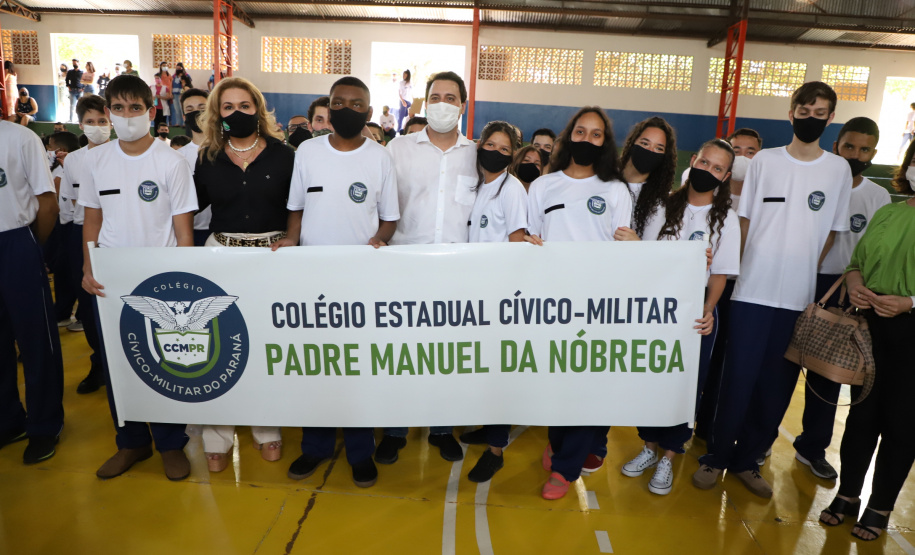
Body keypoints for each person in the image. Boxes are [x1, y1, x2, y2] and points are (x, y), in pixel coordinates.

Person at [693, 81, 852, 498]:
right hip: (751, 294)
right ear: (791, 111)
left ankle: (748, 460)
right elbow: (743, 224)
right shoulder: (764, 161)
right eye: (805, 110)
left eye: (821, 113)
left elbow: (832, 234)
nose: (811, 118)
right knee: (736, 380)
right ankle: (715, 457)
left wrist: (802, 273)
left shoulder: (837, 170)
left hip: (798, 301)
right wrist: (740, 274)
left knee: (777, 387)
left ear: (831, 119)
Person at [273, 76, 398, 488]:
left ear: (367, 109)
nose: (347, 108)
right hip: (312, 276)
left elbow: (390, 217)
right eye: (339, 102)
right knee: (317, 365)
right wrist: (291, 239)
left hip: (362, 279)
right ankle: (316, 447)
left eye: (356, 103)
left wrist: (379, 241)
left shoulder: (380, 157)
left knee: (358, 369)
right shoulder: (307, 151)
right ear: (329, 107)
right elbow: (296, 208)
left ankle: (360, 452)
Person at [78, 74, 197, 481]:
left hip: (160, 276)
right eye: (118, 108)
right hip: (111, 277)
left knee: (161, 362)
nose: (127, 116)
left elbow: (184, 230)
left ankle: (170, 444)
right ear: (108, 112)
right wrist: (89, 266)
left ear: (151, 110)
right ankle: (131, 443)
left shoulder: (170, 161)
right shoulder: (95, 160)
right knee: (117, 364)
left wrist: (181, 278)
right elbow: (92, 218)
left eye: (135, 108)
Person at [619, 139, 738, 496]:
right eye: (705, 162)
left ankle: (671, 454)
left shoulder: (726, 219)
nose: (708, 171)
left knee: (686, 385)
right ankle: (649, 447)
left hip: (694, 309)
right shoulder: (661, 206)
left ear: (726, 176)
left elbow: (720, 273)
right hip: (656, 306)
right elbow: (647, 257)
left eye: (718, 168)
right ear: (694, 160)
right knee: (652, 378)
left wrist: (708, 310)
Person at [524, 106, 632, 499]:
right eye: (581, 132)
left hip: (598, 308)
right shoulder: (543, 186)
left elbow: (624, 251)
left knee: (589, 389)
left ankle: (567, 468)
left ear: (606, 143)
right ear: (569, 137)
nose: (587, 139)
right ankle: (557, 440)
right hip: (551, 305)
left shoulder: (616, 191)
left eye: (597, 134)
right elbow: (529, 241)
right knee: (556, 385)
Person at [191, 77, 292, 471]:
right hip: (221, 257)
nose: (237, 113)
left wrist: (293, 241)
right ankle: (217, 434)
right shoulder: (206, 159)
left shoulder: (286, 156)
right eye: (228, 107)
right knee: (222, 350)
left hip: (272, 256)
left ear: (258, 110)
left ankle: (267, 428)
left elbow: (297, 208)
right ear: (217, 114)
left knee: (266, 347)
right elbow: (186, 208)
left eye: (245, 106)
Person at [818, 142, 915, 541]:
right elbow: (855, 264)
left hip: (911, 333)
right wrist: (856, 287)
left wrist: (909, 302)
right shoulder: (889, 212)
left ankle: (879, 508)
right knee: (861, 420)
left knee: (902, 425)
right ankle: (848, 496)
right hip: (870, 329)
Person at [379, 71, 477, 465]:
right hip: (405, 267)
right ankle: (394, 431)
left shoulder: (476, 154)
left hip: (457, 273)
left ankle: (441, 429)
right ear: (424, 101)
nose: (442, 103)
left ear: (462, 105)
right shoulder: (397, 149)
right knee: (402, 354)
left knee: (447, 355)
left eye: (450, 97)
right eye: (435, 96)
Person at [792, 117, 890, 480]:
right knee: (783, 364)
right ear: (836, 145)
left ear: (874, 153)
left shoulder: (878, 197)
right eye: (849, 146)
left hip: (847, 289)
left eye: (865, 149)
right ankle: (761, 439)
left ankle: (812, 448)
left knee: (828, 372)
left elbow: (875, 251)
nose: (856, 154)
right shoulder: (814, 180)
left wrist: (860, 287)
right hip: (802, 279)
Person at [457, 120, 528, 483]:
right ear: (479, 145)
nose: (496, 153)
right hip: (474, 292)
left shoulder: (511, 190)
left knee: (498, 373)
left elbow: (517, 242)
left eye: (505, 150)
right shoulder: (479, 187)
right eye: (492, 145)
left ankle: (496, 450)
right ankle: (489, 428)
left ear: (513, 156)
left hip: (498, 297)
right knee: (481, 369)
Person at [0, 116, 64, 465]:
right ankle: (8, 420)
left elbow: (47, 202)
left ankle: (44, 424)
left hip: (16, 240)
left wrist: (31, 249)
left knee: (35, 339)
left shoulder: (21, 138)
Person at [694, 127, 761, 444]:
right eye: (737, 148)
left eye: (751, 151)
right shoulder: (694, 192)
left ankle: (709, 426)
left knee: (723, 363)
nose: (744, 156)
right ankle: (686, 423)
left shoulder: (759, 195)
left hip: (740, 288)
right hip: (703, 289)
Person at [58, 94, 111, 393]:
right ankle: (99, 363)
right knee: (89, 308)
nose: (97, 127)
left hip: (115, 236)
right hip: (81, 234)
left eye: (102, 121)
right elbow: (67, 206)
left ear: (111, 122)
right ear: (80, 125)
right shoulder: (74, 161)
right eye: (90, 122)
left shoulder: (121, 155)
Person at [614, 117, 677, 240]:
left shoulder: (657, 203)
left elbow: (650, 252)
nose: (650, 151)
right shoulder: (606, 177)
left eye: (658, 148)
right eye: (645, 143)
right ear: (632, 143)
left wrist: (637, 243)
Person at [179, 88, 212, 246]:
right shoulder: (178, 157)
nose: (197, 113)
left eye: (202, 109)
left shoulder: (228, 152)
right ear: (184, 117)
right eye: (190, 110)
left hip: (222, 231)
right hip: (190, 232)